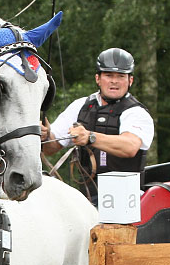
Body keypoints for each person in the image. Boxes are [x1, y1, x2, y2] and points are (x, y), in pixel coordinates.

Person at [40, 48, 154, 202]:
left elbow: (130, 147)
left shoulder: (136, 113)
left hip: (127, 199)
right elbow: (51, 148)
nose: (114, 81)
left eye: (120, 76)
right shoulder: (80, 106)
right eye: (108, 75)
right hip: (86, 197)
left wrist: (90, 137)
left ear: (130, 80)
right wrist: (44, 135)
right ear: (98, 79)